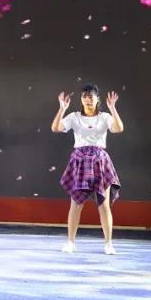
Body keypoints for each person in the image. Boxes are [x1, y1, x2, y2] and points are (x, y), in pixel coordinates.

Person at [51, 84, 124, 255]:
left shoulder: (105, 117)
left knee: (104, 204)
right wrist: (62, 109)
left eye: (91, 96)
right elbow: (55, 128)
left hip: (100, 160)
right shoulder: (74, 117)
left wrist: (113, 108)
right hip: (80, 161)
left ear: (97, 99)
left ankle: (108, 244)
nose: (87, 99)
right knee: (76, 203)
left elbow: (119, 128)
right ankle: (70, 242)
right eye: (84, 96)